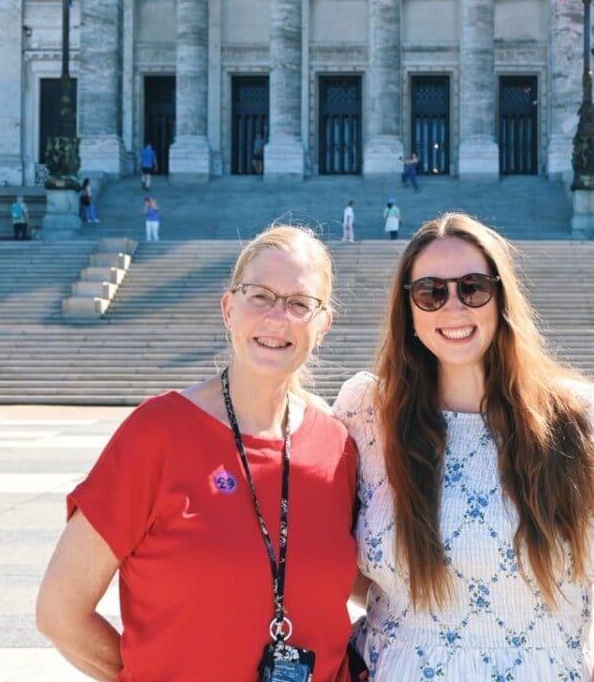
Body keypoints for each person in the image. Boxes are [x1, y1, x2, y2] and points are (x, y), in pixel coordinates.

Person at [333, 212, 594, 680]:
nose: (453, 307)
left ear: (501, 297)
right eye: (431, 292)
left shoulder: (584, 420)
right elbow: (346, 561)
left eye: (473, 287)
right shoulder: (367, 412)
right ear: (409, 310)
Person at [37, 225, 358, 681]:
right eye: (260, 296)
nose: (277, 317)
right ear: (229, 308)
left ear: (322, 325)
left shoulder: (336, 446)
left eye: (299, 303)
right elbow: (60, 613)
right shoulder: (157, 434)